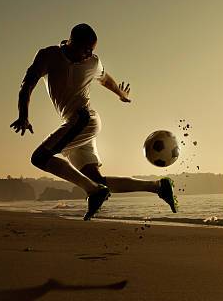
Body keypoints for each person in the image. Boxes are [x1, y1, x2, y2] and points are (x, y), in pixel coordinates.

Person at [10, 23, 177, 220]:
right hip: (76, 123)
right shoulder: (49, 56)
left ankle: (93, 191)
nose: (89, 54)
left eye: (92, 50)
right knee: (96, 179)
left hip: (84, 119)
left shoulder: (92, 63)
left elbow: (105, 78)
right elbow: (27, 83)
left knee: (39, 158)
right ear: (71, 42)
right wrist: (23, 115)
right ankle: (157, 186)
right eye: (86, 49)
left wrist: (120, 93)